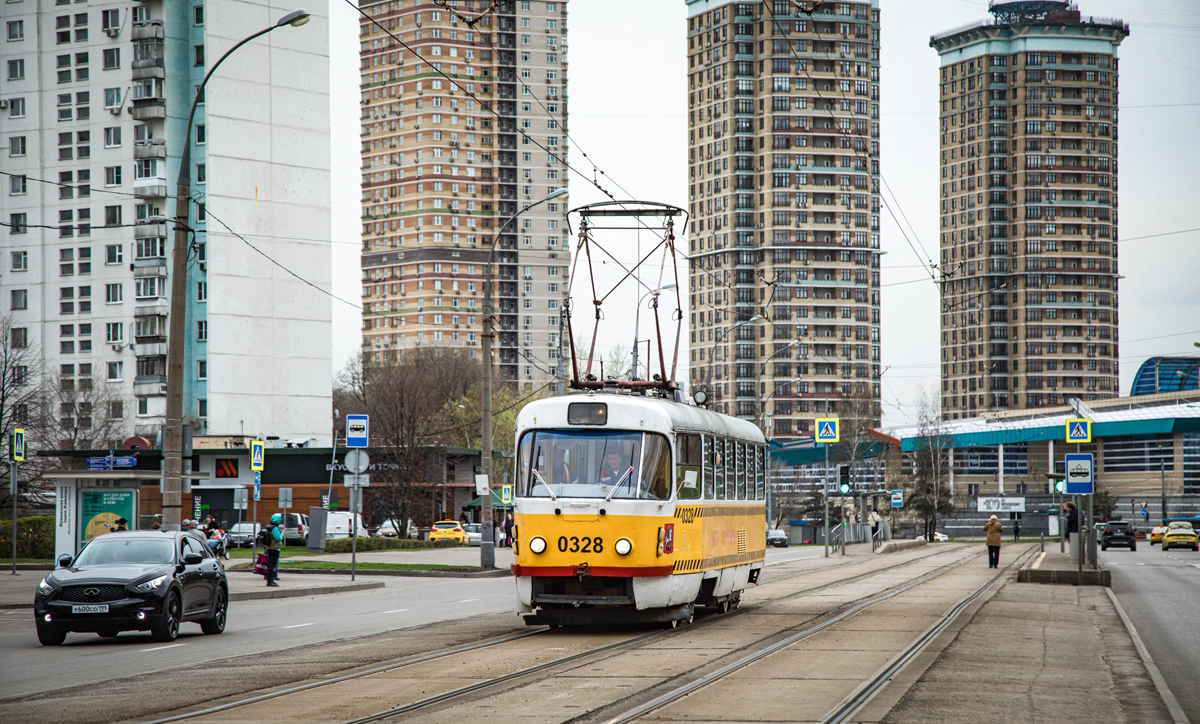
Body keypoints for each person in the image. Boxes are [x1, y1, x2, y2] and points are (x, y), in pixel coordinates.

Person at [263, 514, 284, 587]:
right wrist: (282, 534)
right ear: (277, 520)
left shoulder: (268, 527)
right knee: (272, 565)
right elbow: (278, 538)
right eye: (280, 519)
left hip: (269, 548)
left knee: (270, 564)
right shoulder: (274, 528)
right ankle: (270, 580)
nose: (281, 520)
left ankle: (270, 580)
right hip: (275, 548)